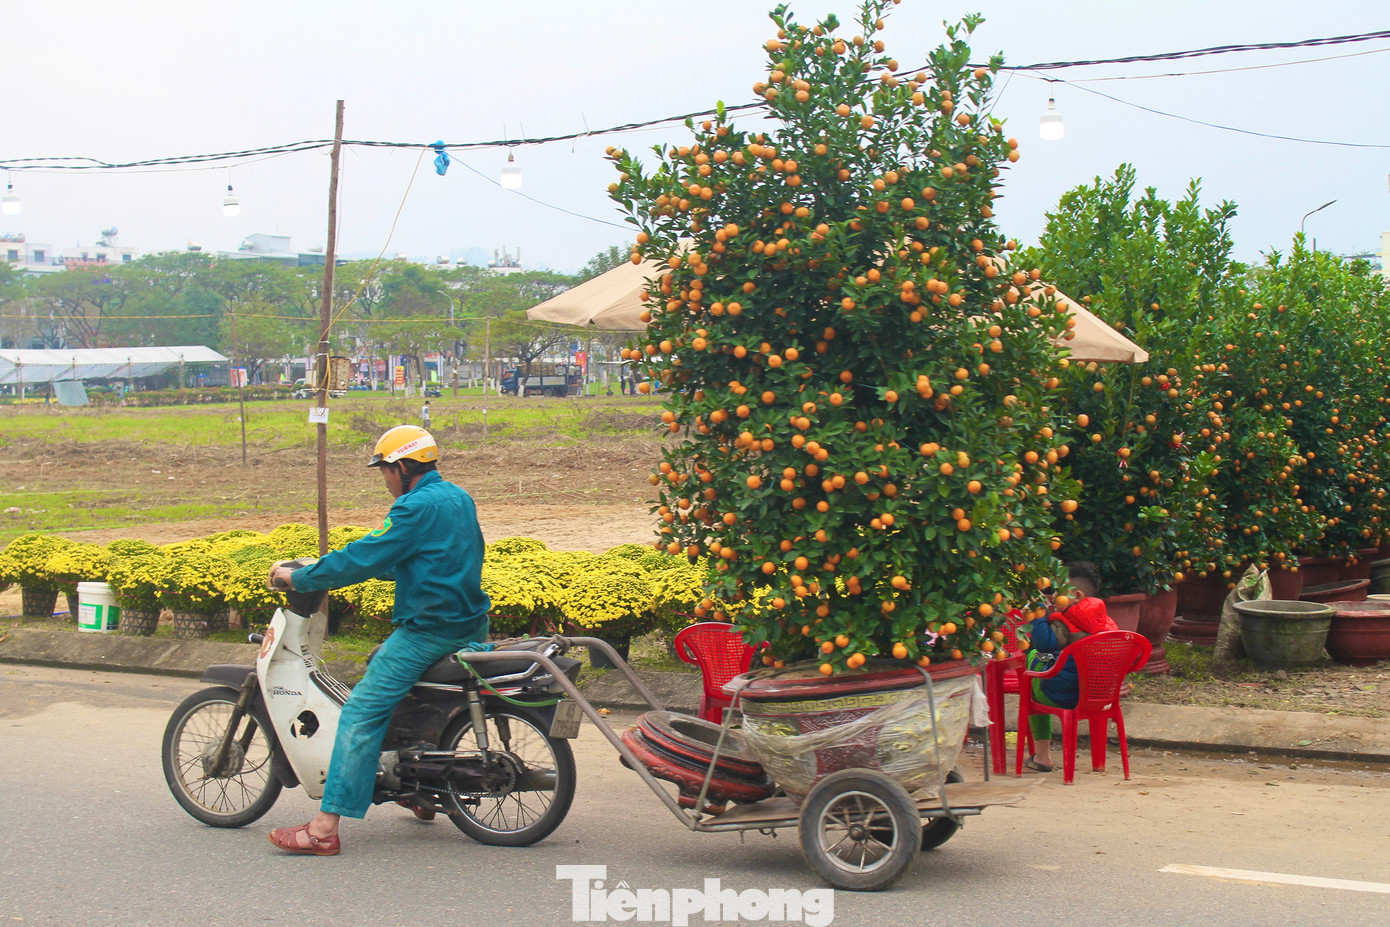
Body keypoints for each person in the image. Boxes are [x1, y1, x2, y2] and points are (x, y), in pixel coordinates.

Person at [266, 425, 490, 856]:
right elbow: (429, 558)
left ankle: (324, 828)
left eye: (385, 470)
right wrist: (336, 567)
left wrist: (302, 576)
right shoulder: (458, 498)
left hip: (429, 631)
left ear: (403, 467)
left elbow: (369, 555)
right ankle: (417, 789)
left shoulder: (413, 507)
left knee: (361, 712)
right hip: (469, 624)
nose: (384, 479)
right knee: (388, 674)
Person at [1020, 561, 1117, 772]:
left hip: (1062, 695)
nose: (1053, 596)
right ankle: (1098, 762)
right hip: (1101, 696)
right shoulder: (1105, 620)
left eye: (1059, 591)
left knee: (1034, 664)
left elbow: (1043, 643)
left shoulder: (1067, 621)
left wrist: (1038, 613)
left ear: (1078, 596)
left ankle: (1043, 756)